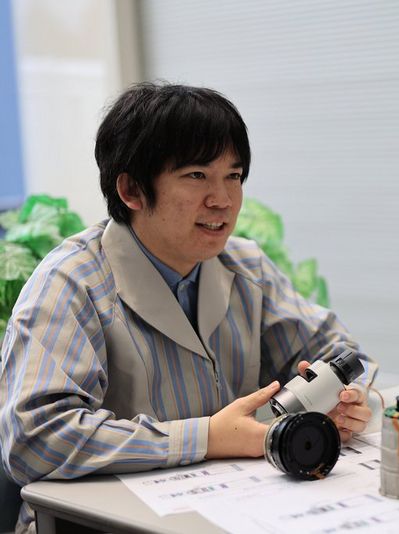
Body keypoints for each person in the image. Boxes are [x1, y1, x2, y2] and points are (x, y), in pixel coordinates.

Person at [0, 83, 376, 532]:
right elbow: (35, 439)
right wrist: (206, 438)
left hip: (233, 510)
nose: (223, 200)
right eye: (197, 176)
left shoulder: (244, 265)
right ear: (132, 190)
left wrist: (346, 401)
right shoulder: (71, 283)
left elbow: (345, 356)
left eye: (233, 176)